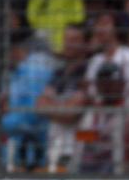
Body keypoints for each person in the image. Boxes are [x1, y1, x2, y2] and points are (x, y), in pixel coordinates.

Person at [36, 23, 91, 170]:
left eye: (75, 40)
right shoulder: (59, 73)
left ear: (85, 44)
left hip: (74, 151)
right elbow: (39, 105)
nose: (68, 44)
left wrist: (51, 107)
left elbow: (73, 113)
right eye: (67, 39)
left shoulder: (88, 71)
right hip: (53, 148)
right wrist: (64, 107)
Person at [2, 30, 56, 170]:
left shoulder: (35, 67)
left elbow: (33, 110)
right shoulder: (18, 72)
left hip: (35, 148)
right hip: (20, 148)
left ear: (15, 49)